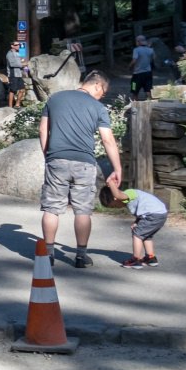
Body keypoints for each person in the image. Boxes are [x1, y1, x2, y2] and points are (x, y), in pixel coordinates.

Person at [39, 70, 124, 268]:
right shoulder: (98, 107)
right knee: (83, 210)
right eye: (103, 92)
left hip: (56, 160)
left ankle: (48, 254)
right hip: (84, 163)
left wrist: (48, 156)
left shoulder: (55, 99)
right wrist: (117, 168)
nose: (102, 96)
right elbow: (107, 139)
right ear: (97, 85)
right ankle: (80, 256)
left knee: (52, 208)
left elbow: (43, 130)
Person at [102, 183, 168, 269]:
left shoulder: (128, 193)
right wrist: (137, 222)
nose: (116, 208)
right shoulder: (128, 199)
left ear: (115, 198)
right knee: (146, 235)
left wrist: (111, 182)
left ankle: (136, 260)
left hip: (153, 214)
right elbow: (143, 210)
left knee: (137, 235)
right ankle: (151, 258)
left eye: (114, 205)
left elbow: (118, 194)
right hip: (160, 214)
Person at [130, 35, 155, 100]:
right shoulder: (151, 50)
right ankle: (150, 103)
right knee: (148, 89)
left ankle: (135, 103)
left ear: (138, 42)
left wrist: (130, 65)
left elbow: (134, 60)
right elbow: (153, 59)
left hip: (137, 74)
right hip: (148, 73)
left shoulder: (136, 50)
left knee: (134, 88)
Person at [6, 43, 28, 108]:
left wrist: (24, 65)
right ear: (12, 46)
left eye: (19, 45)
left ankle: (17, 104)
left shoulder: (18, 53)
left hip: (19, 74)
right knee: (12, 90)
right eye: (16, 45)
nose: (18, 46)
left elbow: (21, 61)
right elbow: (12, 64)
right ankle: (10, 107)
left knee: (22, 89)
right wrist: (23, 64)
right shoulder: (9, 54)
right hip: (13, 74)